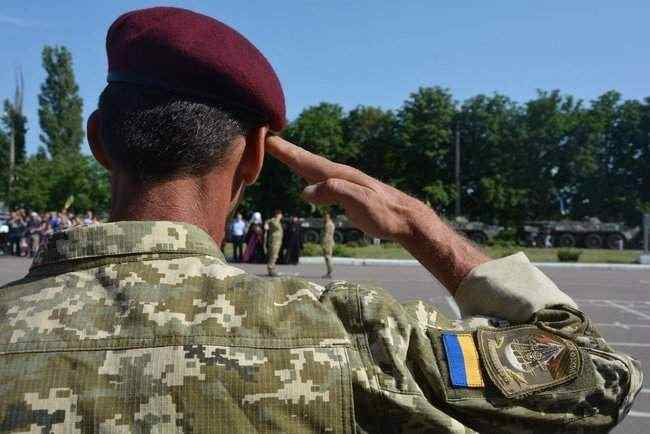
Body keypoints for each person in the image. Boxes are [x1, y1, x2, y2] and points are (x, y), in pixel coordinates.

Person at [0, 7, 640, 433]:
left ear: (97, 141)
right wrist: (419, 224)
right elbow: (598, 381)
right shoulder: (350, 336)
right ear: (253, 156)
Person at [265, 209, 284, 276]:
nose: (281, 216)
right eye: (280, 215)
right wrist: (266, 224)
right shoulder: (273, 221)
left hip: (277, 242)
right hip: (274, 241)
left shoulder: (278, 222)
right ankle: (271, 269)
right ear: (277, 215)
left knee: (275, 256)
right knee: (273, 255)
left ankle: (272, 269)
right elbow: (268, 222)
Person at [322, 211, 335, 278]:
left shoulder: (328, 224)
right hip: (329, 241)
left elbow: (327, 235)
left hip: (328, 242)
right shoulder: (330, 223)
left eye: (326, 216)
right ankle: (329, 272)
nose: (324, 218)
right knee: (328, 257)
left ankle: (329, 272)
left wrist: (324, 244)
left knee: (327, 257)